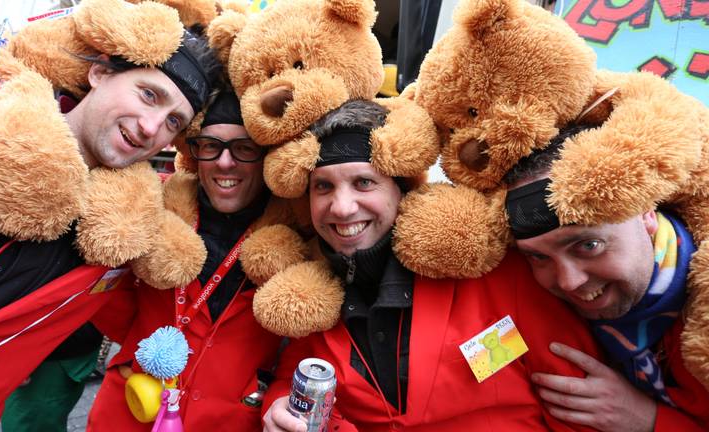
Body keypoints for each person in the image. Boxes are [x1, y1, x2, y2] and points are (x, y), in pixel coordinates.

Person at [260, 100, 604, 431]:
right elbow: (290, 381)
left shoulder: (492, 270)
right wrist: (278, 408)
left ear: (401, 188)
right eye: (324, 187)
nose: (343, 207)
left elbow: (582, 408)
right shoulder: (312, 299)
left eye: (364, 182)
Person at [0, 25, 221, 431]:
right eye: (148, 94)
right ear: (101, 73)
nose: (150, 127)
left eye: (172, 121)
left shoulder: (123, 236)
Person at [87, 89, 287, 431]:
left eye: (244, 148)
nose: (225, 162)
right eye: (211, 145)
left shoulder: (295, 238)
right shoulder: (153, 208)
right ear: (195, 152)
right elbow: (107, 302)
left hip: (228, 421)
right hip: (130, 411)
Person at [502, 124, 709, 431]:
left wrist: (648, 420)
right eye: (538, 257)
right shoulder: (529, 295)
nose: (568, 281)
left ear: (646, 213)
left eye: (588, 245)